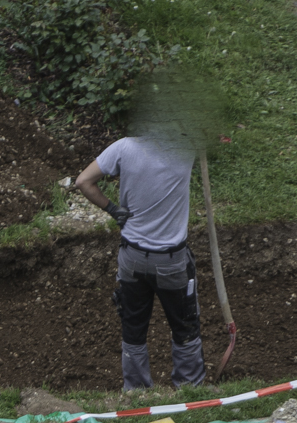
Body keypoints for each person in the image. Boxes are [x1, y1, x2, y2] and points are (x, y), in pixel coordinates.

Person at [76, 135, 205, 390]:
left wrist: (113, 209)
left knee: (133, 328)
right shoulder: (185, 147)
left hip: (132, 259)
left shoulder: (124, 147)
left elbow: (83, 181)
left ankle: (136, 394)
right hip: (172, 262)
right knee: (184, 325)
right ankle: (189, 389)